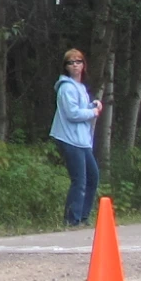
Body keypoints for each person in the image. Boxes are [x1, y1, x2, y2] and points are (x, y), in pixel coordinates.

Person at [50, 48, 104, 228]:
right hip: (69, 138)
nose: (75, 65)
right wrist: (92, 112)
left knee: (92, 177)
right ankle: (71, 219)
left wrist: (92, 105)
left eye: (78, 61)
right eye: (71, 62)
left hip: (82, 140)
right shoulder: (66, 88)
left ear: (83, 65)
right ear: (66, 67)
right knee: (79, 179)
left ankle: (82, 217)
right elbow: (72, 113)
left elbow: (81, 107)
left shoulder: (79, 87)